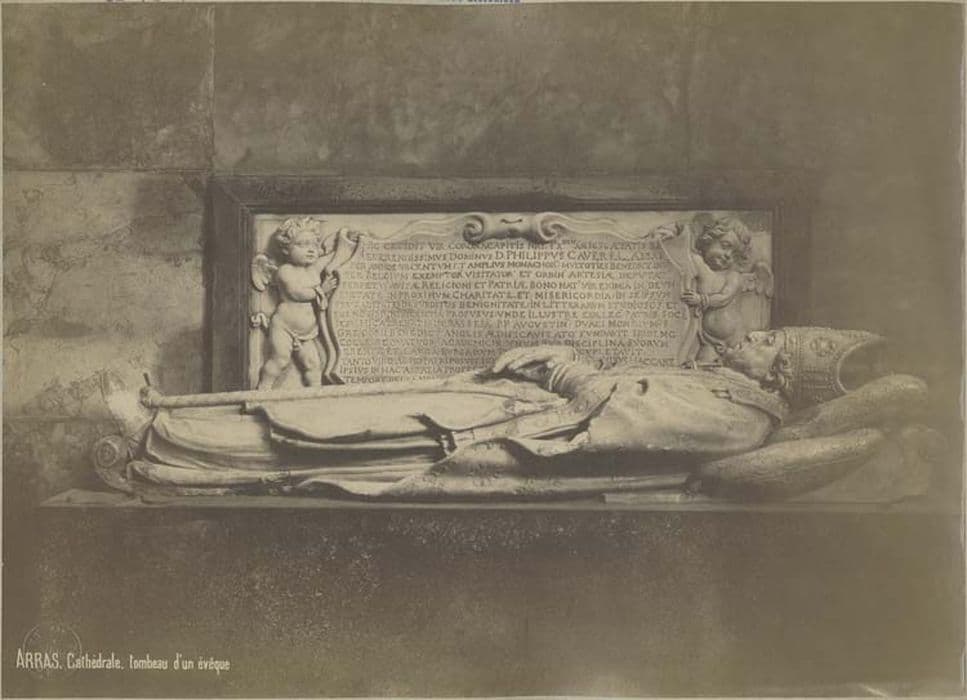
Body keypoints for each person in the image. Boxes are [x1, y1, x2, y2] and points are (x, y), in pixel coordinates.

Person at [97, 327, 930, 500]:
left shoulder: (740, 421)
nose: (747, 337)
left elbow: (609, 425)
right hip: (507, 412)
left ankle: (160, 437)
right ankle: (165, 424)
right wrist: (555, 367)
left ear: (778, 374)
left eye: (764, 342)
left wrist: (567, 368)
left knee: (324, 436)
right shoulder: (717, 387)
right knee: (344, 405)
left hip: (494, 442)